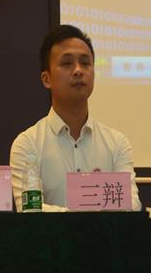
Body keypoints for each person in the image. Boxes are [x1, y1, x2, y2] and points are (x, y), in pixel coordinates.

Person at [10, 24, 140, 210]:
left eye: (85, 63)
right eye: (67, 63)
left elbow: (132, 206)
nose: (78, 70)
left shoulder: (117, 143)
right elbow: (30, 210)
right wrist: (87, 216)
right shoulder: (27, 144)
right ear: (46, 79)